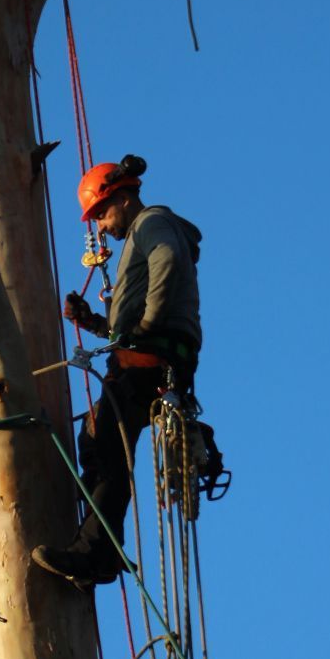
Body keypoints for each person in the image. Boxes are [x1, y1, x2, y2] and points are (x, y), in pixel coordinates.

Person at [32, 155, 202, 589]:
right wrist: (94, 322)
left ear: (123, 198)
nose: (101, 227)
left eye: (102, 215)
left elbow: (167, 261)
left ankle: (95, 552)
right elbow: (128, 323)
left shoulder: (152, 223)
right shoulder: (143, 235)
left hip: (149, 359)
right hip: (148, 356)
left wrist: (146, 326)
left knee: (106, 445)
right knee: (95, 439)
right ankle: (99, 539)